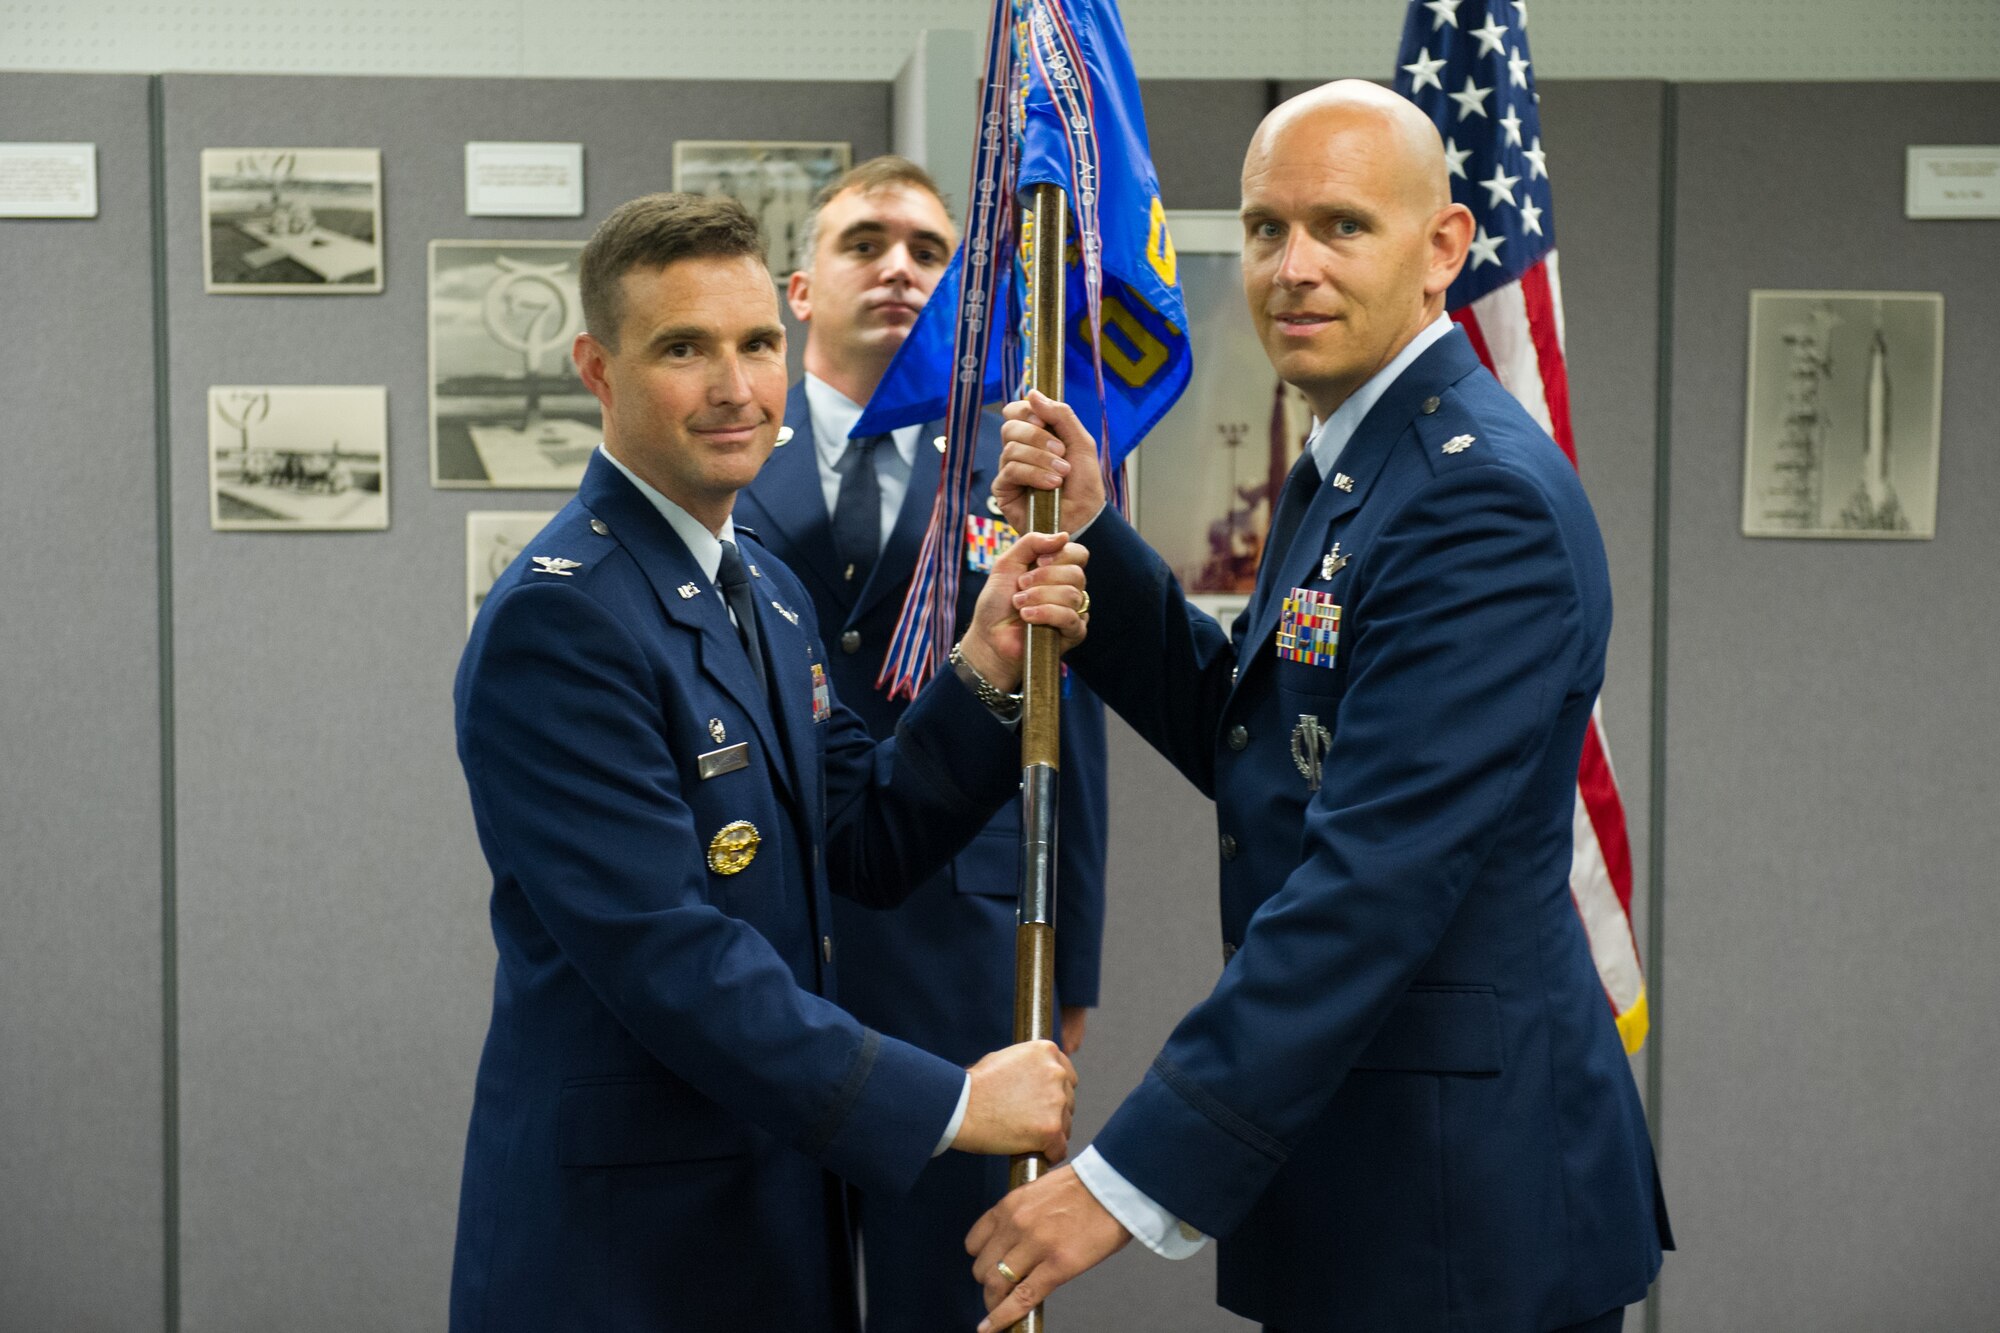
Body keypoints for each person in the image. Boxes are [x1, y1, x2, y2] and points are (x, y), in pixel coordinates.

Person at [967, 81, 1670, 1333]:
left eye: (1340, 226)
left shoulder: (1472, 502)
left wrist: (1122, 1179)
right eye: (1261, 230)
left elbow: (1368, 884)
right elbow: (1268, 743)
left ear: (1442, 248)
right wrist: (1092, 533)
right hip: (1372, 1171)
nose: (1291, 268)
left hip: (1456, 1206)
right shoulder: (1360, 458)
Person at [449, 192, 1095, 1333]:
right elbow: (670, 958)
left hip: (768, 1206)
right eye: (682, 349)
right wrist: (946, 1101)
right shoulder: (564, 622)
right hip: (629, 1245)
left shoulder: (763, 586)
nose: (734, 388)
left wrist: (986, 668)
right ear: (596, 368)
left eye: (755, 344)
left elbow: (866, 833)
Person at [735, 155, 1111, 1333]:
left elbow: (1071, 734)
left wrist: (1072, 974)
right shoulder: (727, 459)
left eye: (929, 252)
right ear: (800, 288)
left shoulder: (1014, 478)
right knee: (766, 1278)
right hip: (781, 937)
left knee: (946, 1298)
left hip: (965, 954)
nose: (897, 267)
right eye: (863, 243)